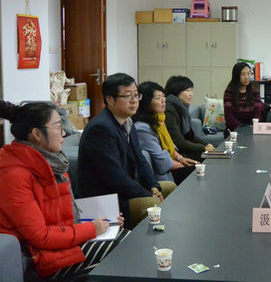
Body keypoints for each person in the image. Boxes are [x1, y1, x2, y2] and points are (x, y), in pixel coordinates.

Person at [0, 101, 128, 280]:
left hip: (58, 242)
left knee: (124, 236)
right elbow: (39, 237)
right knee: (124, 246)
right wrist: (92, 229)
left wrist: (104, 220)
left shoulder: (52, 161)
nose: (64, 133)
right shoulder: (14, 174)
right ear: (37, 134)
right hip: (39, 257)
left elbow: (63, 214)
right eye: (58, 126)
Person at [78, 73, 176, 228]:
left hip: (126, 189)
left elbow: (140, 159)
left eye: (136, 95)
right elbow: (114, 178)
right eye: (127, 96)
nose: (134, 101)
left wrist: (153, 187)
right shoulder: (100, 129)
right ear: (110, 100)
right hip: (107, 199)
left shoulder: (127, 121)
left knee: (170, 188)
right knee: (152, 204)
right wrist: (148, 194)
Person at [134, 81, 197, 185]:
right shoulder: (142, 128)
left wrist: (180, 158)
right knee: (199, 171)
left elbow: (170, 145)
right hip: (165, 174)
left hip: (171, 165)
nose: (163, 100)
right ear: (146, 102)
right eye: (158, 98)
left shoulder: (159, 119)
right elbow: (160, 159)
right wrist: (182, 165)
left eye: (163, 96)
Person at [164, 75, 215, 162]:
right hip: (176, 155)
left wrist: (207, 145)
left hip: (183, 150)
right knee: (211, 159)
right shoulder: (169, 110)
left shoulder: (182, 109)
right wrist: (204, 148)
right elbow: (179, 142)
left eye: (191, 91)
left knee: (213, 155)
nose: (191, 94)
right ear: (176, 91)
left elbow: (190, 136)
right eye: (187, 91)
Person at [224, 62, 263, 131]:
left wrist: (252, 128)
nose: (246, 77)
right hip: (234, 130)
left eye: (248, 73)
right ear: (236, 76)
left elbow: (257, 114)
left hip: (251, 129)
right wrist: (243, 130)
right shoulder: (229, 92)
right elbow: (229, 118)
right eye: (243, 74)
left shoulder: (255, 90)